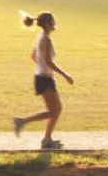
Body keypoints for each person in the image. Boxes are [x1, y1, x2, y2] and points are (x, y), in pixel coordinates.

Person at [12, 11, 74, 150]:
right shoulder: (46, 39)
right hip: (44, 79)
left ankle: (47, 139)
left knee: (56, 109)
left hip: (42, 77)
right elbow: (48, 61)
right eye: (52, 21)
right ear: (47, 24)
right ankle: (22, 121)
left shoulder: (40, 37)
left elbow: (34, 56)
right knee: (54, 111)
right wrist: (65, 75)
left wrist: (42, 67)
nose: (54, 24)